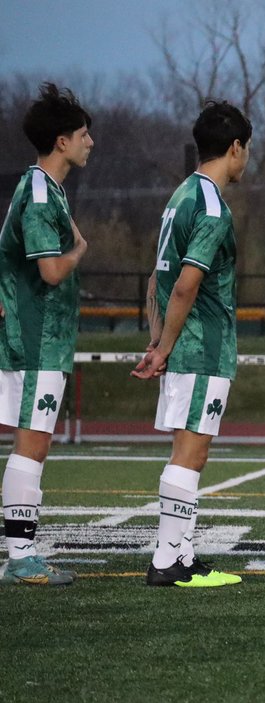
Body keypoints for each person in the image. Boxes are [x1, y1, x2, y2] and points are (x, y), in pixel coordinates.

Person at [131, 101, 252, 588]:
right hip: (202, 346)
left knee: (187, 450)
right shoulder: (212, 206)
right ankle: (169, 561)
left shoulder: (180, 195)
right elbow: (184, 283)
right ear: (235, 148)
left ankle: (178, 554)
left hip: (184, 342)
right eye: (247, 151)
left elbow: (155, 277)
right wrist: (164, 347)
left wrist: (158, 338)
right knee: (191, 453)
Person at [0, 84, 92, 587]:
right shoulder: (39, 192)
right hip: (34, 341)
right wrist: (79, 248)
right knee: (31, 444)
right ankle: (21, 557)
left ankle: (22, 551)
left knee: (33, 443)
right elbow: (52, 271)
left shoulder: (43, 189)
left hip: (40, 338)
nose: (90, 143)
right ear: (61, 141)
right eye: (83, 134)